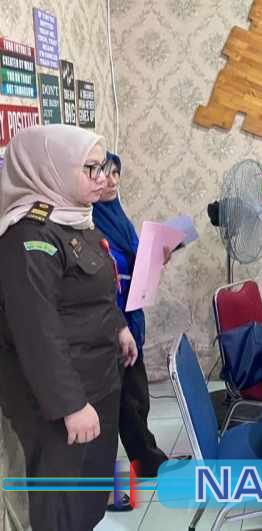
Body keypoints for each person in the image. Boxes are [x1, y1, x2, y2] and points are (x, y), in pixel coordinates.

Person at [0, 125, 138, 530]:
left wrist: (119, 327)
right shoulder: (28, 237)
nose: (102, 178)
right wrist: (71, 406)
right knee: (60, 504)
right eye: (90, 168)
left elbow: (95, 287)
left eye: (104, 167)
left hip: (96, 378)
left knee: (88, 495)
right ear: (53, 168)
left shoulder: (75, 219)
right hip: (59, 400)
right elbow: (37, 332)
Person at [93, 152, 170, 510]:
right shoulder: (87, 220)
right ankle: (104, 488)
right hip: (107, 326)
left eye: (116, 174)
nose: (110, 181)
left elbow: (135, 265)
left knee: (135, 398)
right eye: (102, 173)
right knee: (111, 406)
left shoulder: (119, 218)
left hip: (131, 321)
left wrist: (159, 258)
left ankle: (148, 461)